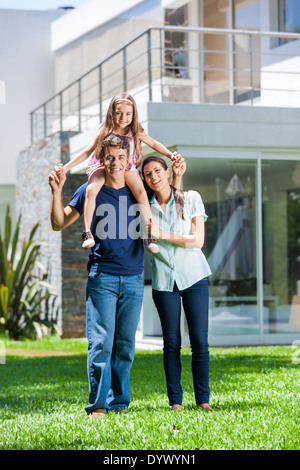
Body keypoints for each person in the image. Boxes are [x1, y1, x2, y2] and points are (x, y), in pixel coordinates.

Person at [49, 134, 146, 416]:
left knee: (125, 345)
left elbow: (164, 194)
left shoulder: (136, 188)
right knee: (102, 343)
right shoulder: (90, 188)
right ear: (101, 160)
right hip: (102, 276)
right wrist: (57, 191)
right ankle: (98, 406)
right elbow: (58, 223)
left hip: (133, 278)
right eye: (109, 158)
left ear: (129, 159)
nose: (115, 164)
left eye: (120, 158)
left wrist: (176, 175)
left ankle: (120, 403)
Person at [57, 92, 182, 252]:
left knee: (141, 193)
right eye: (119, 113)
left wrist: (170, 155)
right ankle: (87, 232)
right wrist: (66, 168)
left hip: (127, 167)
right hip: (104, 166)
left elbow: (153, 143)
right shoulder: (105, 130)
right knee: (90, 190)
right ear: (112, 113)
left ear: (133, 114)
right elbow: (87, 151)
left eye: (128, 114)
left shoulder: (135, 130)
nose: (124, 117)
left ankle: (149, 234)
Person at [142, 155, 213, 412]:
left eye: (157, 170)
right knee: (171, 344)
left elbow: (197, 241)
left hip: (193, 276)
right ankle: (176, 402)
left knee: (199, 342)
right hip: (164, 282)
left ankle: (203, 401)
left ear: (167, 171)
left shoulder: (191, 198)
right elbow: (149, 245)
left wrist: (163, 235)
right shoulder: (145, 208)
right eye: (148, 174)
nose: (154, 177)